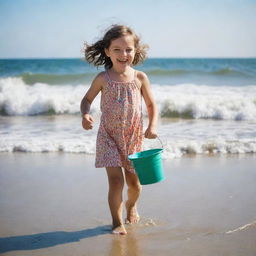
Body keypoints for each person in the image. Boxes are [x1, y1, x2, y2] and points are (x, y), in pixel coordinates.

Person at [80, 25, 158, 235]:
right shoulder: (103, 79)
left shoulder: (140, 78)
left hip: (133, 138)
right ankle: (116, 221)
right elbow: (87, 99)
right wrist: (85, 114)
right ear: (107, 51)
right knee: (116, 181)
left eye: (128, 49)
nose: (123, 54)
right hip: (108, 137)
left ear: (135, 50)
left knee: (135, 185)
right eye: (117, 49)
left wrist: (152, 125)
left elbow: (151, 105)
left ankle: (132, 206)